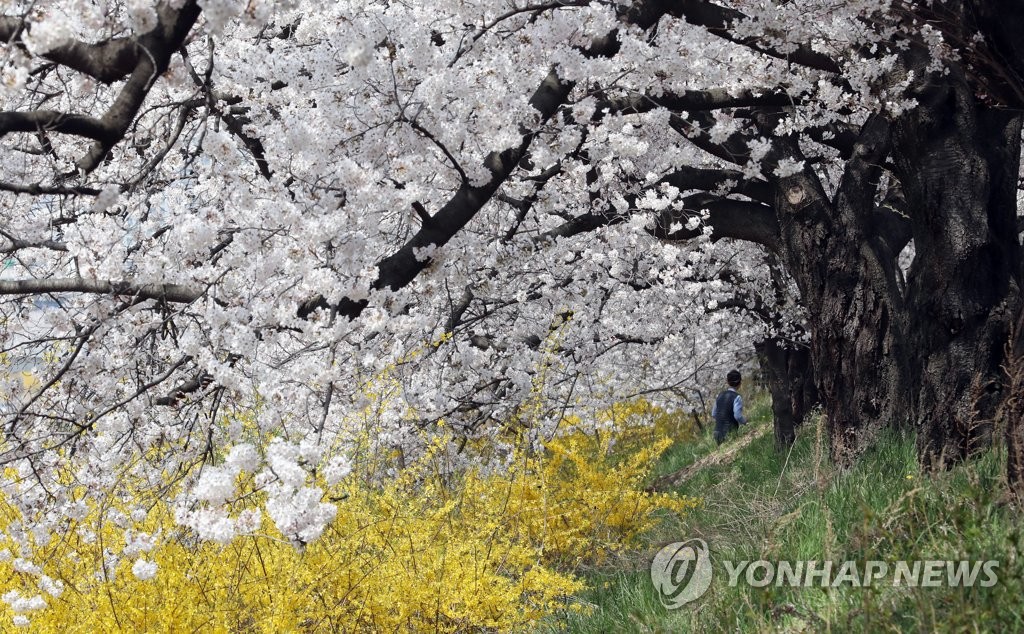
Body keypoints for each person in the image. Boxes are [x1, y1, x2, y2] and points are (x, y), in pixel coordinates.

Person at [711, 370, 747, 445]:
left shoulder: (719, 395)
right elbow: (738, 416)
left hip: (717, 433)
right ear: (740, 383)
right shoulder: (737, 397)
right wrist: (746, 422)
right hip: (729, 432)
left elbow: (714, 414)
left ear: (727, 382)